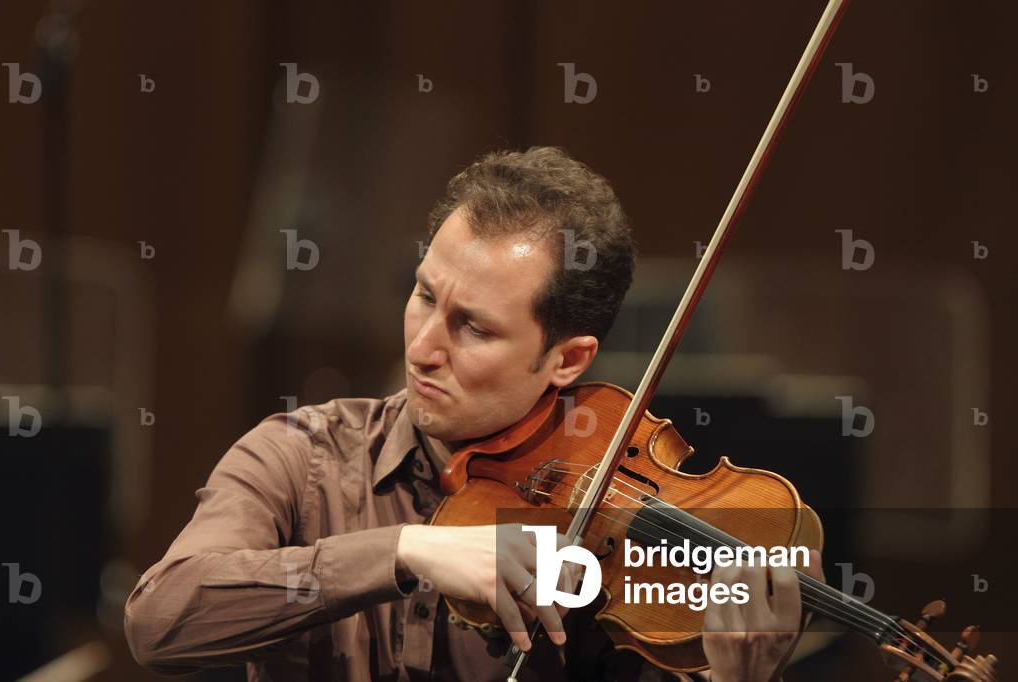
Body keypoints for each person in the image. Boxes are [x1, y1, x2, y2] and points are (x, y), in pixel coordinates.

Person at [124, 146, 823, 681]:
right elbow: (159, 619)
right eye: (424, 296)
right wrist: (404, 549)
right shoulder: (301, 456)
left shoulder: (602, 546)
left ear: (567, 359)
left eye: (475, 328)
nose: (423, 348)